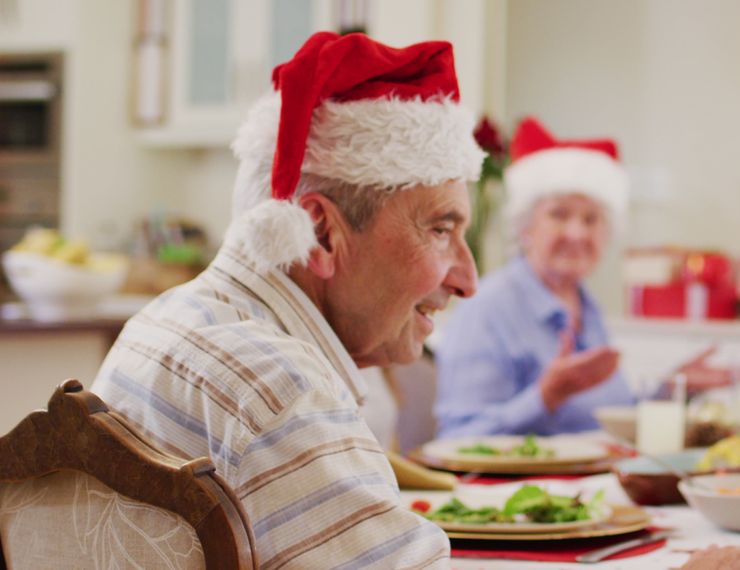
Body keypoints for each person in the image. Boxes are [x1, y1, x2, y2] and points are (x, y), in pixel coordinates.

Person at [92, 32, 483, 568]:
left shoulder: (166, 317)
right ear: (322, 234)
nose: (467, 278)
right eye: (440, 229)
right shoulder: (279, 392)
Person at [434, 117, 635, 437]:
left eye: (591, 219)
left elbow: (609, 408)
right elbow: (458, 437)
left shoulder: (585, 304)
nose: (576, 233)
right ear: (525, 227)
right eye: (559, 214)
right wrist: (545, 397)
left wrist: (675, 387)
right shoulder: (488, 306)